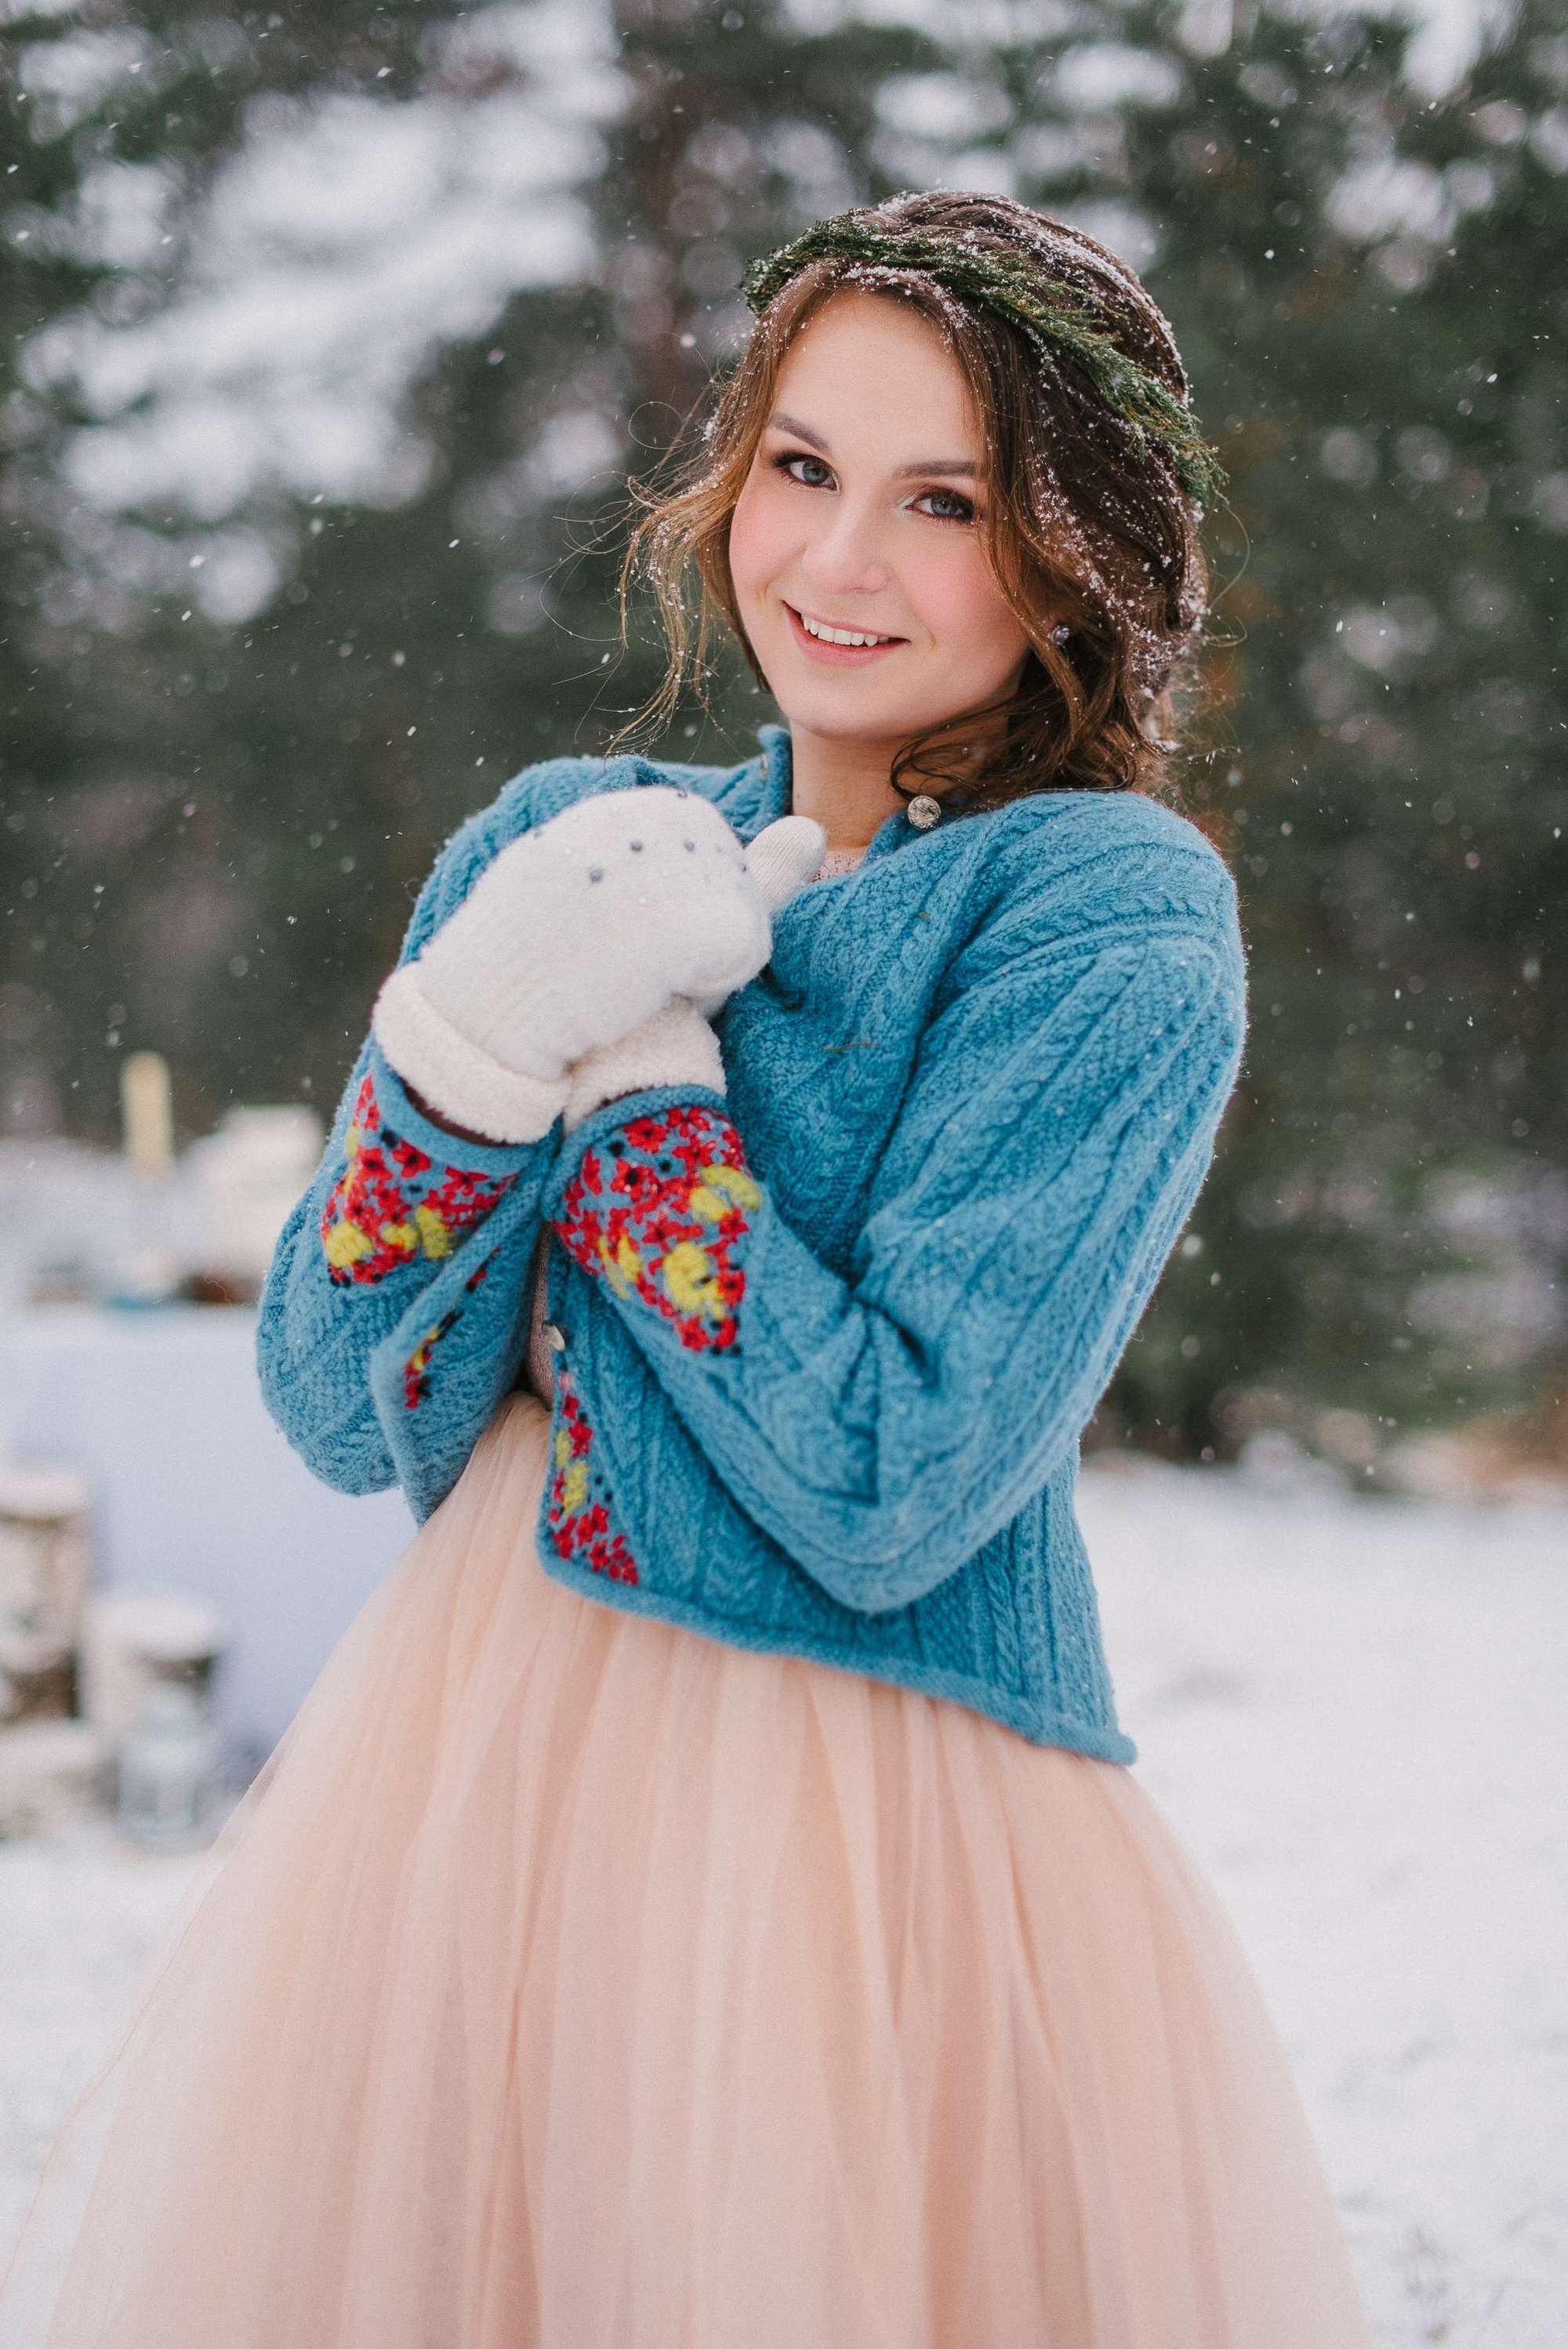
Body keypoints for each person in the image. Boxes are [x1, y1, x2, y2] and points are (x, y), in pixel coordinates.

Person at [0, 191, 1373, 2347]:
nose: (838, 561)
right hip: (475, 1786)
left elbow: (894, 1478)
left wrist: (640, 1082)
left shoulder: (1106, 912)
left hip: (879, 1833)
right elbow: (338, 1385)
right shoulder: (562, 834)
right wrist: (455, 1062)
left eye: (947, 502)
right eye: (805, 467)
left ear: (1071, 554)